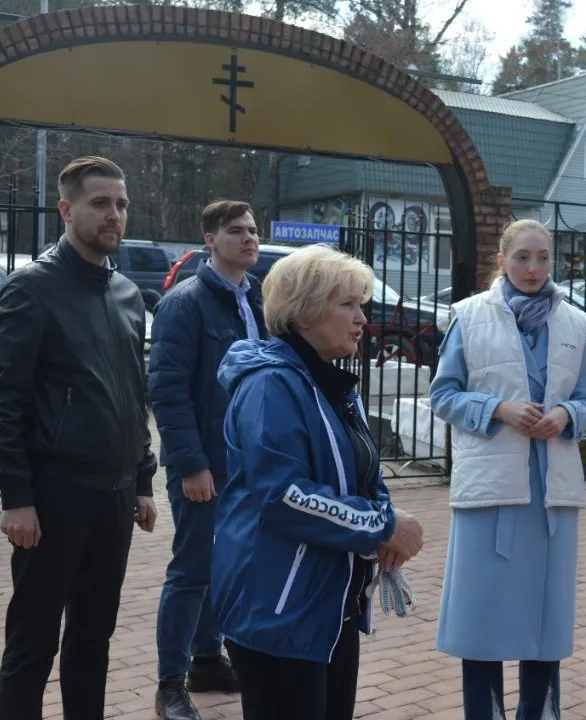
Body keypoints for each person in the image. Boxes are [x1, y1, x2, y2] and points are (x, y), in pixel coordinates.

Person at [210, 243, 425, 720]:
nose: (362, 319)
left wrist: (383, 517)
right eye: (347, 304)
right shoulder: (272, 384)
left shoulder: (327, 382)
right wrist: (381, 526)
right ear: (304, 313)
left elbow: (363, 470)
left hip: (326, 607)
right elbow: (284, 494)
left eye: (361, 304)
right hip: (278, 611)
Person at [0, 155, 159, 720]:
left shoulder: (127, 293)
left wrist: (144, 479)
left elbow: (133, 391)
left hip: (114, 494)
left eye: (121, 204)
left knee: (93, 637)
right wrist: (17, 497)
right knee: (33, 640)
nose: (114, 215)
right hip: (54, 494)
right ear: (66, 209)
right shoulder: (31, 288)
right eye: (100, 203)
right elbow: (1, 399)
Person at [429, 219, 586, 720]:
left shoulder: (575, 322)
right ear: (501, 261)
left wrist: (567, 415)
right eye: (522, 257)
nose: (533, 267)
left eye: (542, 257)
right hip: (491, 493)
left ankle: (539, 713)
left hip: (551, 494)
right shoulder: (469, 316)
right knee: (482, 621)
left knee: (544, 624)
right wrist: (498, 410)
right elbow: (444, 394)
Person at [148, 200, 267, 719]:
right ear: (209, 240)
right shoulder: (186, 302)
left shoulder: (257, 298)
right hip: (203, 462)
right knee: (192, 570)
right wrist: (190, 463)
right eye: (236, 231)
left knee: (229, 565)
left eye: (253, 230)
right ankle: (171, 684)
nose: (248, 239)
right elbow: (167, 390)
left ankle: (207, 659)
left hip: (248, 461)